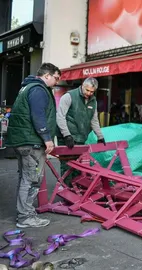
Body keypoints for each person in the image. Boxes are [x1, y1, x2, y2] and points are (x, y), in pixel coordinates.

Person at [6, 63, 61, 228]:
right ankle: (25, 217)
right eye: (56, 78)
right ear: (47, 76)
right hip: (31, 142)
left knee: (25, 178)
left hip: (23, 140)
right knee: (31, 179)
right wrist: (47, 138)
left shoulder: (28, 87)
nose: (57, 81)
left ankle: (25, 213)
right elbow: (38, 115)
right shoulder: (38, 90)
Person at [56, 77, 105, 185]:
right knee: (67, 165)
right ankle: (66, 189)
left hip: (81, 137)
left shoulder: (93, 100)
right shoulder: (69, 96)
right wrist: (66, 135)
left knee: (78, 165)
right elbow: (60, 117)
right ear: (82, 85)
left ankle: (76, 191)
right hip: (66, 136)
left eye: (92, 91)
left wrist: (100, 136)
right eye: (87, 90)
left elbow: (94, 119)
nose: (89, 93)